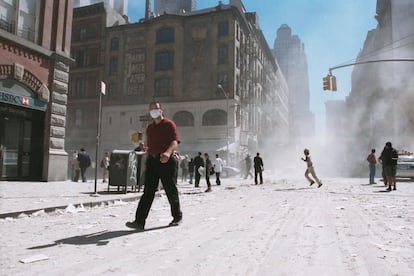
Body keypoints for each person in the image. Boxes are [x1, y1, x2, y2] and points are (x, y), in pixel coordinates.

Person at [126, 102, 182, 231]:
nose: (153, 112)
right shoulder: (150, 128)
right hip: (152, 161)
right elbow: (151, 147)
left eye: (156, 109)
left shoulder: (169, 124)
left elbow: (175, 142)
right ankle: (139, 221)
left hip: (167, 161)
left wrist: (168, 153)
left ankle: (177, 216)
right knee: (148, 192)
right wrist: (145, 148)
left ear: (161, 110)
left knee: (170, 189)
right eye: (151, 110)